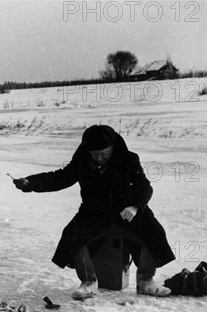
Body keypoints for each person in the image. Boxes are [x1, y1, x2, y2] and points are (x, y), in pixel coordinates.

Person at [13, 125, 175, 300]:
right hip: (94, 213)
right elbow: (61, 177)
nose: (99, 158)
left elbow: (144, 186)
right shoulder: (82, 160)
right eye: (95, 154)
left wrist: (135, 206)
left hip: (126, 212)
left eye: (104, 153)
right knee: (72, 236)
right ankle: (88, 282)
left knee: (153, 232)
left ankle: (145, 281)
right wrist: (30, 183)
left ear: (113, 148)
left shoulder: (128, 159)